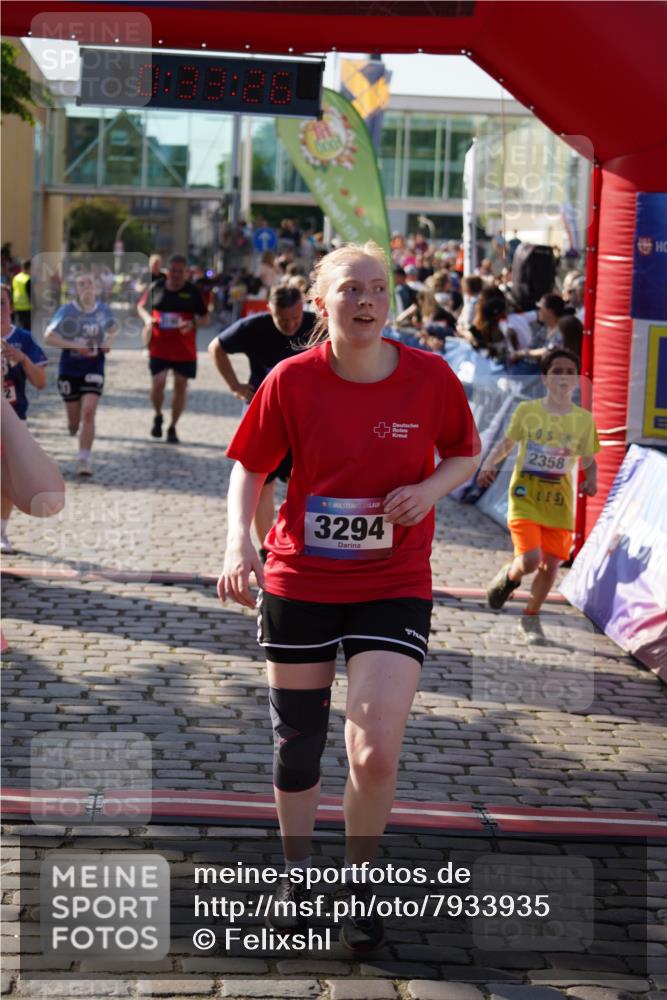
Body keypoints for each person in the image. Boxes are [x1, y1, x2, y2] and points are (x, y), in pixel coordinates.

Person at [217, 241, 480, 952]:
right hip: (302, 579)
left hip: (393, 581)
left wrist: (428, 489)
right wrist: (238, 542)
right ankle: (297, 878)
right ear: (320, 302)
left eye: (377, 288)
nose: (366, 300)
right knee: (298, 745)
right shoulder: (291, 379)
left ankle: (360, 886)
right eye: (350, 289)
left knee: (374, 751)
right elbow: (249, 465)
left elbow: (465, 451)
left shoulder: (429, 377)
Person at [478, 348, 599, 645]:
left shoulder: (583, 420)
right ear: (545, 378)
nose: (563, 377)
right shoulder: (528, 411)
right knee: (531, 559)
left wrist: (592, 479)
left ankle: (531, 617)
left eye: (569, 372)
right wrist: (490, 463)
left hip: (559, 505)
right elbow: (508, 442)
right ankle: (511, 576)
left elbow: (589, 460)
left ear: (577, 380)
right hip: (525, 499)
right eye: (556, 371)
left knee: (551, 564)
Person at [209, 284, 315, 555]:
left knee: (305, 480)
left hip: (304, 416)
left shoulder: (317, 325)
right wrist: (234, 385)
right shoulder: (254, 327)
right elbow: (216, 347)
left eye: (295, 317)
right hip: (263, 412)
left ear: (302, 308)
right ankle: (267, 550)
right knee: (261, 482)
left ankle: (301, 543)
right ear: (270, 310)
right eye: (283, 319)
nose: (290, 325)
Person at [44, 272, 117, 477]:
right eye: (82, 284)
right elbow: (49, 337)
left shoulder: (103, 311)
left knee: (89, 412)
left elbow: (113, 330)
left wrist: (107, 343)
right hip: (70, 369)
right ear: (76, 289)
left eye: (90, 283)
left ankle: (84, 459)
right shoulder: (67, 310)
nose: (87, 287)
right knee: (74, 420)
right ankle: (72, 425)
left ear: (96, 287)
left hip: (94, 367)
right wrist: (75, 346)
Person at [138, 254, 208, 443]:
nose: (176, 275)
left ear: (186, 273)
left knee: (180, 384)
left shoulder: (193, 292)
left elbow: (205, 317)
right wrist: (148, 319)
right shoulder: (156, 287)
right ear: (167, 271)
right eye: (173, 271)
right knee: (158, 383)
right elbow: (141, 307)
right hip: (159, 347)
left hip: (184, 350)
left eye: (180, 271)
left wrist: (193, 323)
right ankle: (158, 414)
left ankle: (173, 426)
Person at [1, 284, 48, 552]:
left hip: (14, 418)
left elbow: (41, 382)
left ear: (11, 306)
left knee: (7, 475)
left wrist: (22, 360)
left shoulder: (24, 339)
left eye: (2, 302)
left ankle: (0, 532)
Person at [11, 259, 32, 330]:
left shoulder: (16, 277)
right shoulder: (27, 279)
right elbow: (30, 294)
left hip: (17, 305)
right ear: (28, 268)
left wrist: (12, 303)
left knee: (19, 324)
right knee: (27, 327)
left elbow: (12, 290)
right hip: (26, 306)